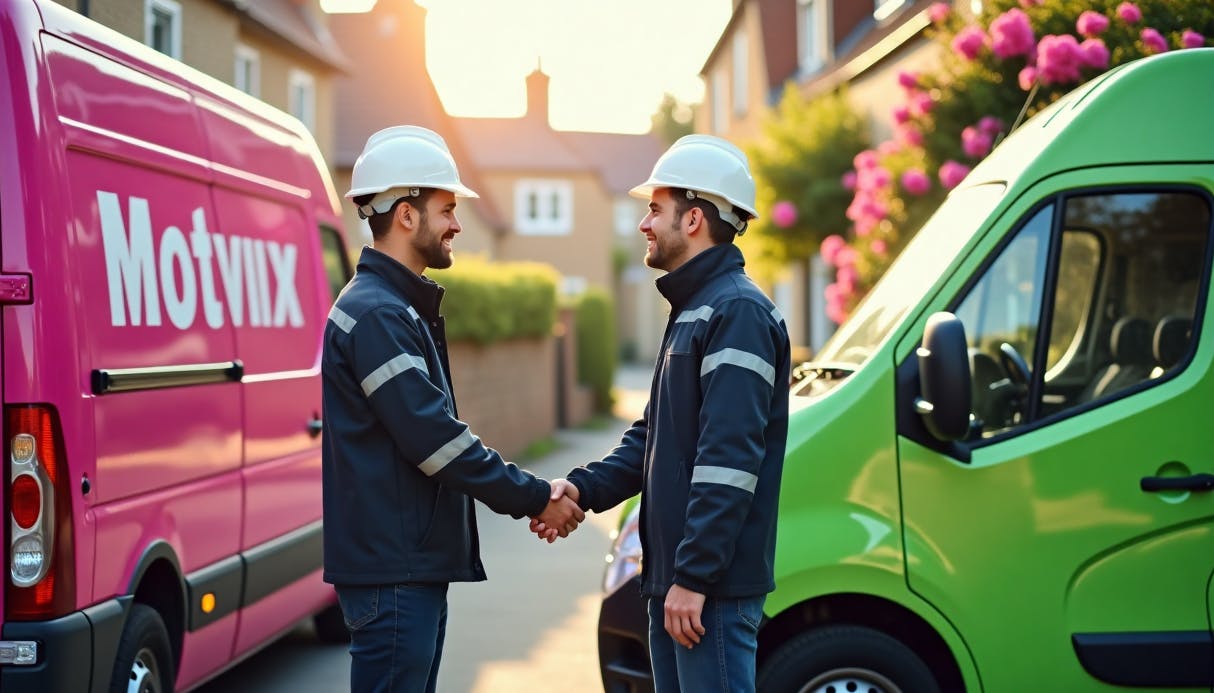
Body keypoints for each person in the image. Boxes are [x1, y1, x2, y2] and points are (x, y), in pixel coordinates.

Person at [321, 125, 584, 693]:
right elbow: (437, 442)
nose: (458, 223)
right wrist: (538, 497)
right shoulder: (377, 315)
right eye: (446, 208)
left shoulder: (391, 307)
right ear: (406, 215)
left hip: (403, 569)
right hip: (393, 572)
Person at [533, 134, 790, 692]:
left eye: (655, 209)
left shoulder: (737, 312)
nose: (644, 223)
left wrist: (694, 577)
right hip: (678, 586)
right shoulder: (698, 309)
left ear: (693, 218)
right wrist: (581, 490)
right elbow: (653, 439)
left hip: (707, 596)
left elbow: (729, 462)